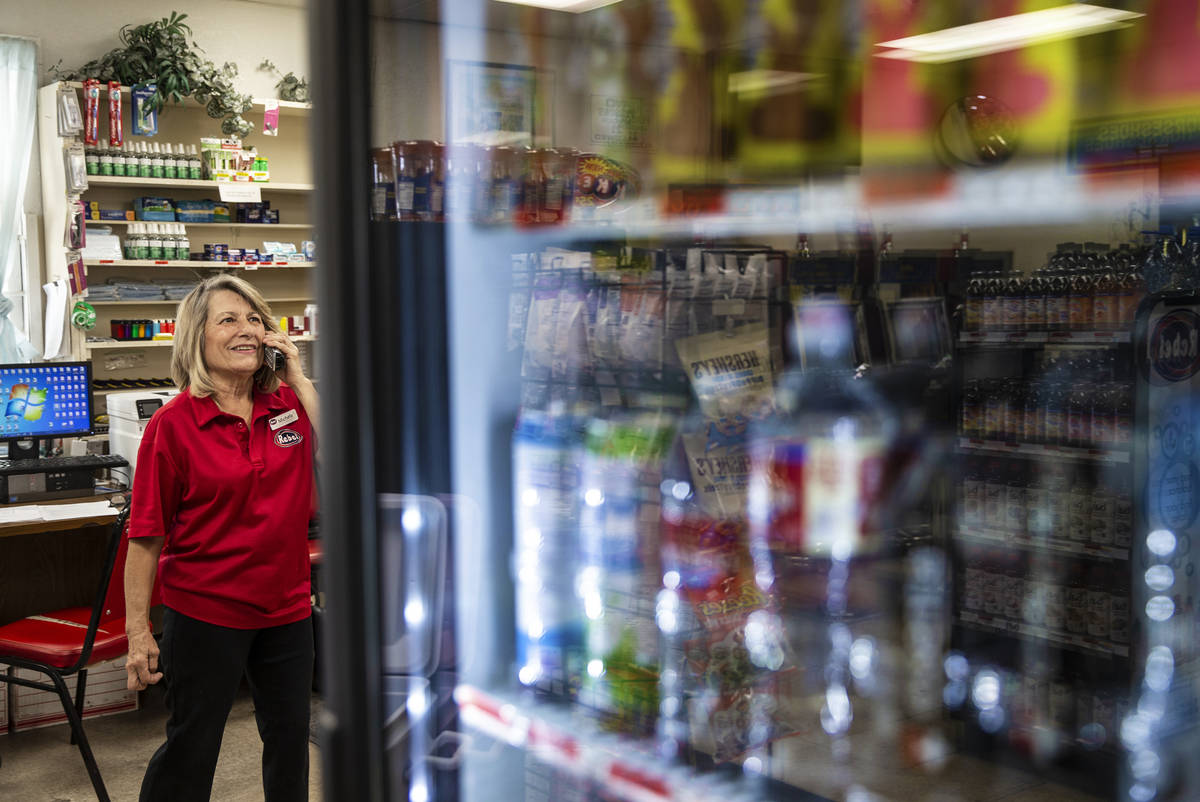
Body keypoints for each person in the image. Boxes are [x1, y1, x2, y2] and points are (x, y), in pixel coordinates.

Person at [124, 274, 319, 802]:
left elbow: (339, 454)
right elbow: (145, 535)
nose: (247, 330)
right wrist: (138, 631)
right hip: (205, 611)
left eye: (255, 319)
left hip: (286, 608)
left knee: (289, 743)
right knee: (193, 746)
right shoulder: (173, 424)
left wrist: (297, 377)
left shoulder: (287, 410)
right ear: (197, 338)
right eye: (228, 319)